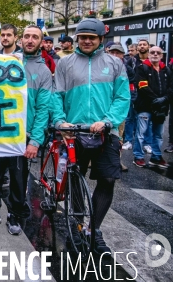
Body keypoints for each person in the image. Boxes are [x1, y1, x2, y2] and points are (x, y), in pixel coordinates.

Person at [54, 18, 130, 255]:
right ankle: (77, 227)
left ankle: (93, 230)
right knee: (75, 180)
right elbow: (56, 95)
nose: (87, 41)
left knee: (107, 180)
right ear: (77, 38)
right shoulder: (65, 63)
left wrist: (108, 121)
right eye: (83, 37)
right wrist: (60, 121)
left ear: (100, 40)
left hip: (105, 132)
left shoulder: (115, 64)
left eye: (92, 37)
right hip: (73, 131)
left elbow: (122, 97)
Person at [0, 25, 52, 235]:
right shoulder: (2, 62)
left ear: (40, 42)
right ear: (20, 40)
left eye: (35, 37)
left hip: (23, 136)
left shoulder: (44, 71)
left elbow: (43, 108)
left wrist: (35, 141)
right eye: (27, 36)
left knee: (18, 179)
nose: (30, 40)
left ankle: (14, 213)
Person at [132, 45, 171, 169]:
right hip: (144, 107)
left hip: (161, 108)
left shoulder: (167, 70)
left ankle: (156, 157)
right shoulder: (141, 68)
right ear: (149, 54)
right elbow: (142, 86)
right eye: (152, 52)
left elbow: (171, 87)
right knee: (141, 134)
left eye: (157, 52)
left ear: (161, 56)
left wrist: (164, 99)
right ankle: (138, 157)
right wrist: (155, 99)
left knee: (158, 134)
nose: (155, 54)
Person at [108, 44, 135, 172]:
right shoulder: (102, 66)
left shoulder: (127, 69)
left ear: (122, 55)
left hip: (120, 108)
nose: (114, 55)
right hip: (105, 107)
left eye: (117, 53)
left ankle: (117, 160)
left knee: (118, 136)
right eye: (112, 52)